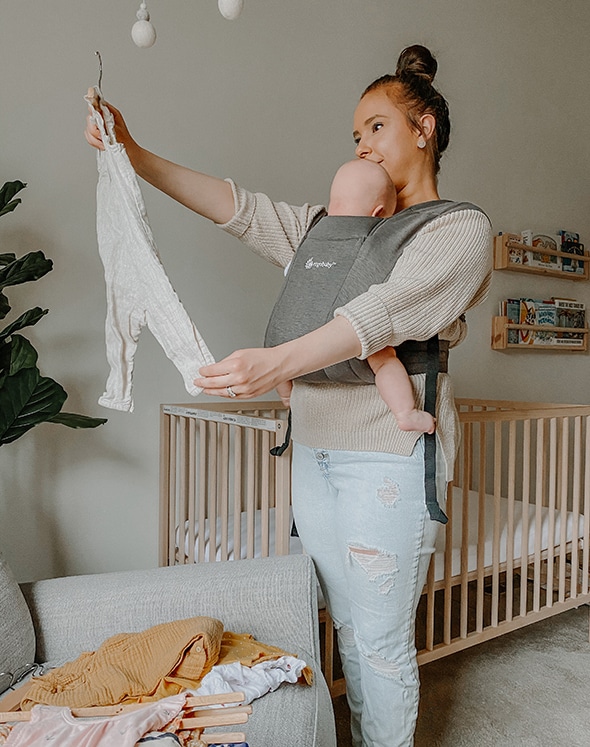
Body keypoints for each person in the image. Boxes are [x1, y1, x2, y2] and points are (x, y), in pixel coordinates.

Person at [85, 44, 492, 747]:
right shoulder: (328, 231)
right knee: (343, 627)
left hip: (386, 462)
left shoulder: (457, 229)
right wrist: (133, 149)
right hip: (316, 453)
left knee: (381, 640)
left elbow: (379, 316)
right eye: (355, 134)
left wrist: (279, 358)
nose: (362, 143)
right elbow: (237, 208)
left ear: (423, 129)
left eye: (376, 127)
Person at [276, 158, 436, 435]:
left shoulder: (312, 236)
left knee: (279, 356)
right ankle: (406, 413)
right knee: (384, 359)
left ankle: (288, 397)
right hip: (347, 331)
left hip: (291, 337)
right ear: (379, 212)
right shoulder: (372, 239)